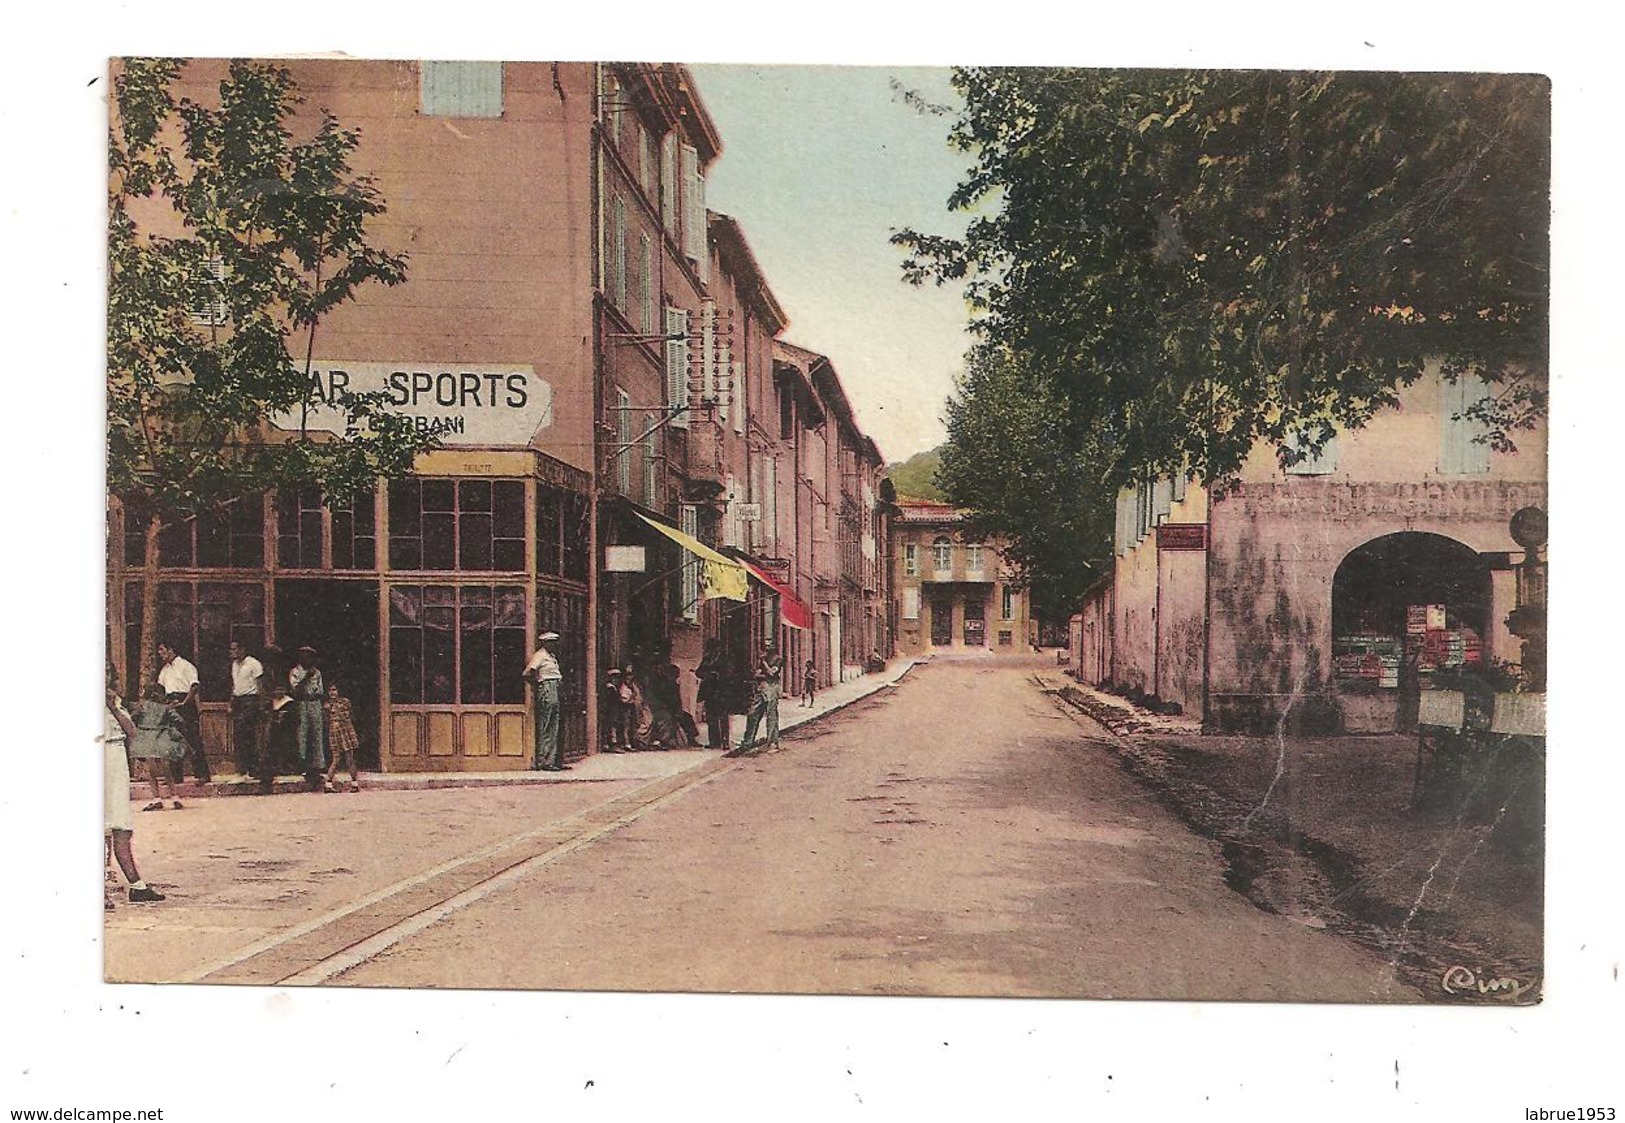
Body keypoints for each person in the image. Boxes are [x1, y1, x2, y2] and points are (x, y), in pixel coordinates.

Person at [104, 678, 165, 907]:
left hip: (116, 755)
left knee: (121, 824)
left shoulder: (113, 700)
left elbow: (132, 731)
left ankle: (136, 885)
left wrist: (112, 705)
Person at [156, 641, 210, 785]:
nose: (159, 653)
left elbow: (194, 686)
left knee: (192, 739)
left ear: (171, 649)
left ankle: (203, 775)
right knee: (173, 740)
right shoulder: (165, 670)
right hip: (171, 703)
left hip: (185, 703)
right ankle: (176, 777)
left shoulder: (186, 666)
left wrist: (185, 702)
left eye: (162, 650)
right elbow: (160, 688)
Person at [130, 683, 187, 810]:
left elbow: (133, 717)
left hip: (147, 739)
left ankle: (156, 799)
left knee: (152, 772)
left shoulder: (142, 706)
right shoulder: (165, 708)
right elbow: (179, 720)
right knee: (167, 770)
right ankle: (174, 797)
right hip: (161, 738)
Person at [523, 632, 568, 771]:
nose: (554, 645)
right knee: (547, 725)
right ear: (545, 643)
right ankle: (544, 761)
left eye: (555, 642)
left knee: (555, 725)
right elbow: (527, 673)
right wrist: (539, 684)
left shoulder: (552, 657)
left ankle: (553, 760)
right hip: (548, 688)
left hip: (555, 688)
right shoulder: (540, 655)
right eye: (552, 642)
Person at [731, 639, 784, 757]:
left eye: (769, 645)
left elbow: (771, 673)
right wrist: (763, 671)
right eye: (765, 645)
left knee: (771, 716)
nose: (766, 648)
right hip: (762, 688)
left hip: (772, 688)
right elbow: (756, 674)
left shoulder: (778, 659)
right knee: (752, 714)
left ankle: (773, 743)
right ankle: (748, 742)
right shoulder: (763, 661)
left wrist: (763, 662)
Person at [288, 645, 327, 789]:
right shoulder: (295, 672)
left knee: (317, 732)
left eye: (310, 656)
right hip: (302, 703)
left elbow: (320, 690)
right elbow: (296, 690)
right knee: (302, 733)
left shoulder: (316, 672)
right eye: (304, 655)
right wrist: (306, 678)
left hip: (314, 702)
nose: (307, 658)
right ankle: (302, 763)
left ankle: (319, 764)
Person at [228, 640, 265, 779]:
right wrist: (231, 703)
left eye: (235, 649)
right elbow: (235, 685)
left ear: (242, 649)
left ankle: (253, 769)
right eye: (231, 649)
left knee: (248, 734)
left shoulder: (254, 664)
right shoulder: (234, 665)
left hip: (250, 700)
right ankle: (242, 768)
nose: (232, 652)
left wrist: (261, 705)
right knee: (238, 735)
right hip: (238, 700)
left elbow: (260, 686)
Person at [322, 681, 362, 792]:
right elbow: (326, 720)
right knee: (336, 758)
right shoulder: (327, 705)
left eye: (334, 690)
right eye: (330, 690)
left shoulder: (345, 702)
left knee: (350, 758)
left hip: (346, 729)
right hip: (335, 731)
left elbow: (351, 715)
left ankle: (355, 783)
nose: (332, 693)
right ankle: (328, 783)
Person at [696, 641, 732, 750]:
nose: (712, 650)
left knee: (723, 717)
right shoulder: (707, 659)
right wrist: (708, 675)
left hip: (721, 692)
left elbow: (730, 673)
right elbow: (698, 672)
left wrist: (719, 675)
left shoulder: (724, 659)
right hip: (709, 692)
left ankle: (725, 742)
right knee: (711, 718)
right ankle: (714, 742)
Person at [601, 668, 627, 752]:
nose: (616, 680)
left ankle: (611, 744)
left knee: (614, 726)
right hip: (611, 710)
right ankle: (611, 744)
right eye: (615, 678)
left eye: (618, 678)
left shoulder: (615, 688)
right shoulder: (610, 688)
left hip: (614, 710)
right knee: (612, 727)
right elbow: (610, 701)